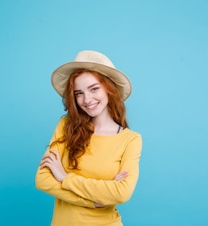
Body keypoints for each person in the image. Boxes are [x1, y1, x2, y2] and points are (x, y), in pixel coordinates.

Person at [35, 50, 143, 226]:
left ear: (109, 89)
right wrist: (94, 201)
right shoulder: (66, 125)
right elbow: (43, 180)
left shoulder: (131, 140)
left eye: (94, 89)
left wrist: (64, 178)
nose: (87, 99)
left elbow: (122, 193)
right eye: (79, 93)